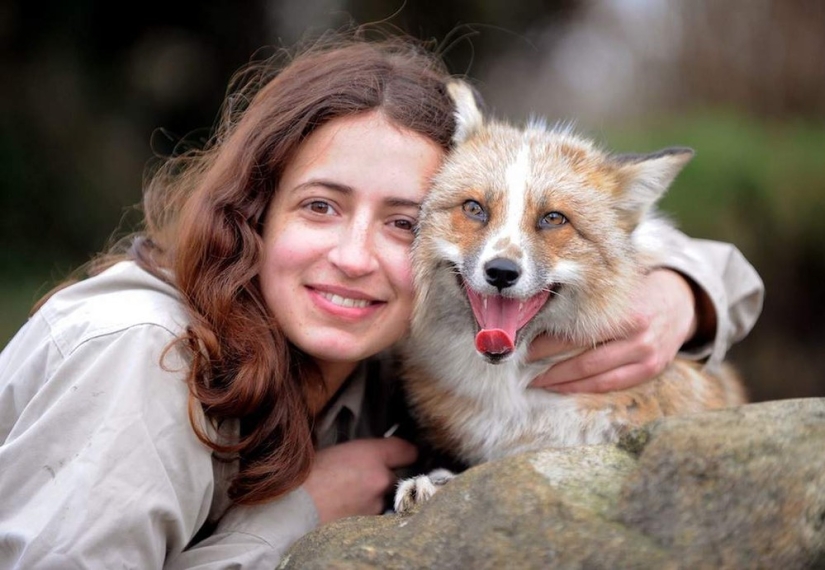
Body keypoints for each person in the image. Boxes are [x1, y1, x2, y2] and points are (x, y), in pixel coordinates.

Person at [0, 29, 763, 568]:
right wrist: (297, 520)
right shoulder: (135, 355)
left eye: (402, 221)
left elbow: (595, 226)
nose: (357, 258)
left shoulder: (393, 328)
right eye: (320, 207)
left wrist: (682, 296)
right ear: (252, 210)